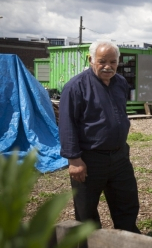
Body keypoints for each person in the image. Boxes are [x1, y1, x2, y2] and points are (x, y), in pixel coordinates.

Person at [59, 40, 141, 233]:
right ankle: (91, 247)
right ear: (91, 59)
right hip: (90, 158)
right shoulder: (75, 87)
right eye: (102, 61)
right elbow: (67, 124)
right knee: (86, 208)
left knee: (127, 201)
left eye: (113, 62)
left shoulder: (120, 83)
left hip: (119, 156)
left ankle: (129, 240)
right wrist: (74, 159)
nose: (108, 66)